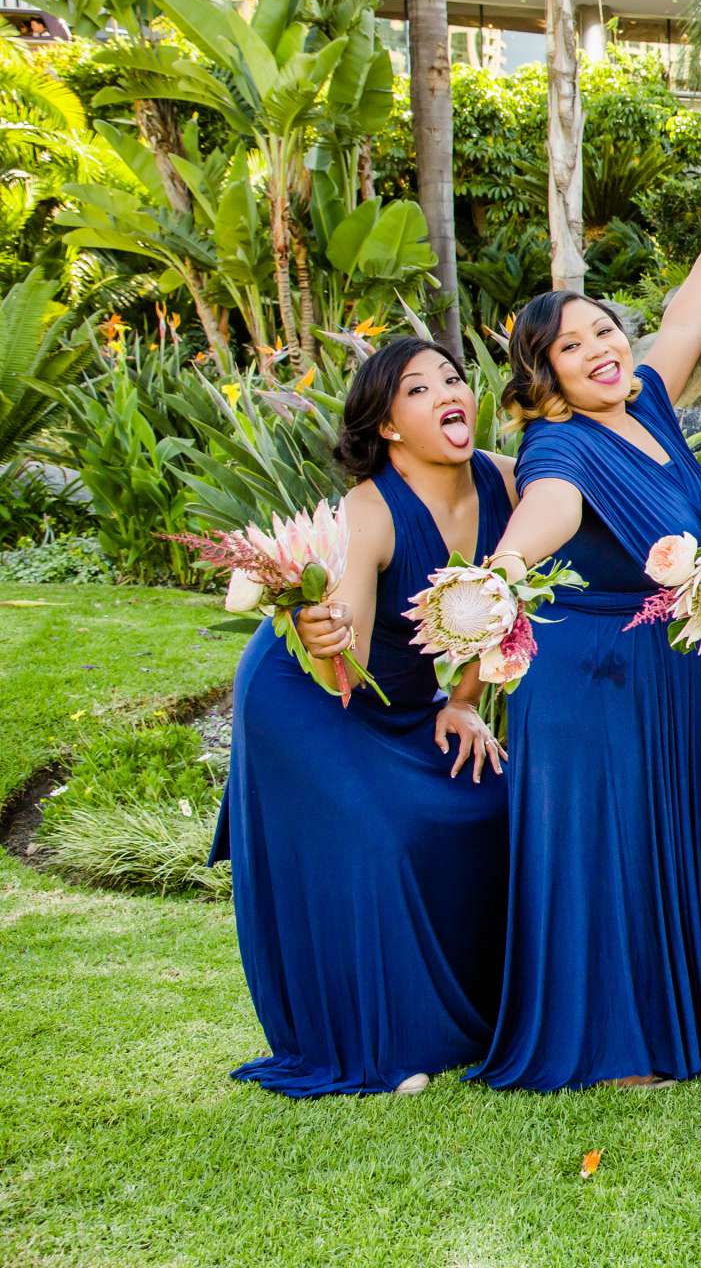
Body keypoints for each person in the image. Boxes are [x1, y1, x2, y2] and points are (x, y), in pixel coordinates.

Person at [454, 206, 701, 1091]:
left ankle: (674, 1014)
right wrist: (502, 568)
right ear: (544, 377)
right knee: (610, 849)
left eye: (603, 330)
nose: (598, 349)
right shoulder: (559, 446)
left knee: (666, 836)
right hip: (597, 673)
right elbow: (546, 514)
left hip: (669, 668)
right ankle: (614, 1045)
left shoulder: (647, 401)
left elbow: (689, 322)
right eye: (571, 347)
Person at [212, 338, 514, 1096]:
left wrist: (465, 702)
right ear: (387, 425)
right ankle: (376, 1046)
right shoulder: (370, 509)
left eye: (453, 378)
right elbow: (341, 638)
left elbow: (510, 603)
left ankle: (486, 1011)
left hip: (408, 700)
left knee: (491, 804)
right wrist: (325, 630)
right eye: (420, 389)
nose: (449, 392)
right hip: (309, 694)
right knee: (377, 838)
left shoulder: (507, 483)